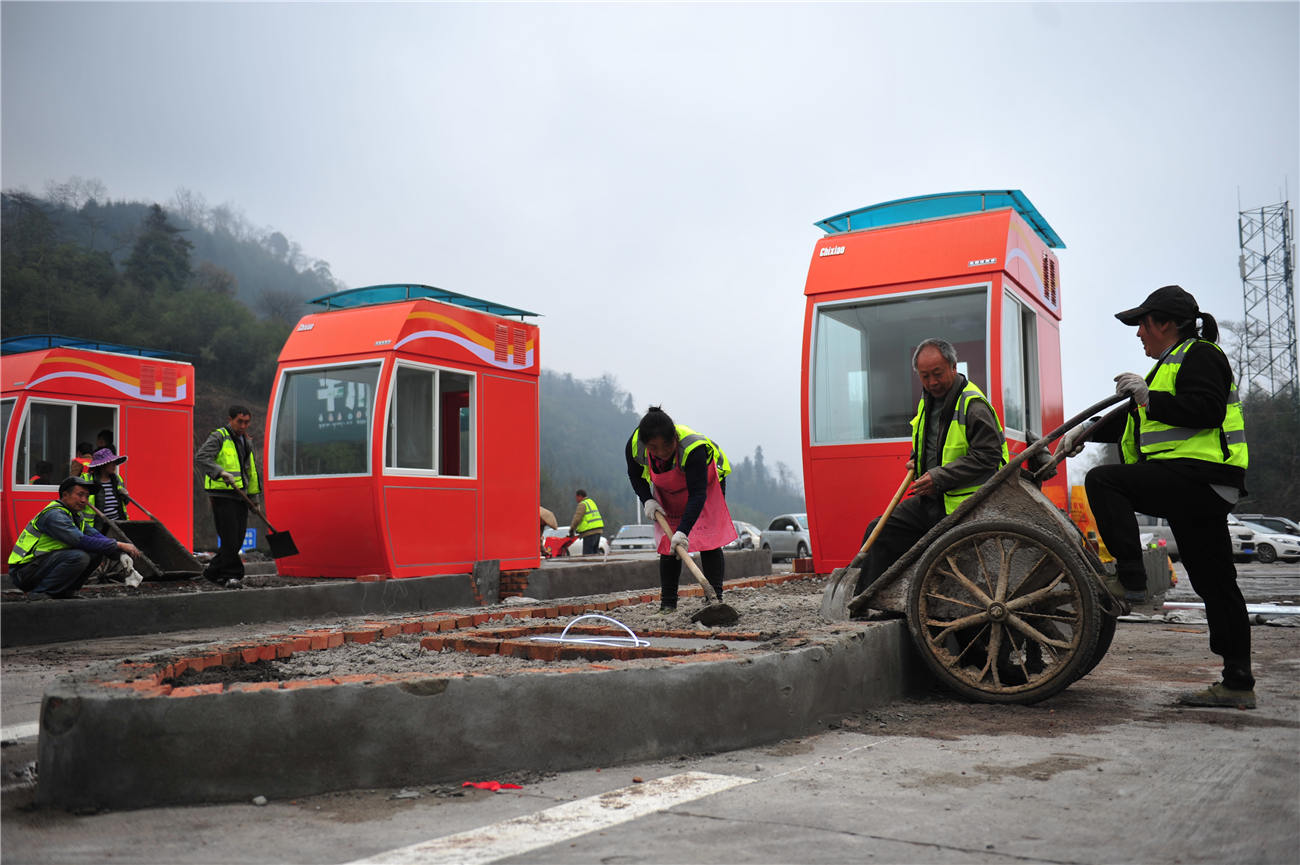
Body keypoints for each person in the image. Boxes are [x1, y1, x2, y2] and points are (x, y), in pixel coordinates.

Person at [1064, 285, 1253, 709]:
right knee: (1215, 582)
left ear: (1165, 323)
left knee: (1105, 481)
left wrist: (1148, 398)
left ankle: (1130, 578)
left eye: (1143, 325)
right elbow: (1132, 422)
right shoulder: (1166, 367)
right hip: (1195, 484)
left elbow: (1205, 409)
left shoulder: (1201, 355)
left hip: (1198, 477)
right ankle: (1238, 681)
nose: (1138, 335)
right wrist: (1084, 432)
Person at [853, 338, 1008, 597]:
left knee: (947, 570)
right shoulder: (928, 401)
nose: (932, 382)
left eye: (937, 374)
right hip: (933, 502)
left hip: (967, 507)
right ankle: (868, 600)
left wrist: (939, 476)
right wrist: (918, 459)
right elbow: (932, 441)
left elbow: (989, 455)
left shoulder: (973, 404)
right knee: (880, 530)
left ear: (953, 367)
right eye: (925, 376)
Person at [625, 406, 737, 615]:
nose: (661, 452)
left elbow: (697, 494)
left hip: (706, 483)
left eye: (666, 445)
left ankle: (715, 599)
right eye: (653, 448)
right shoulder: (636, 445)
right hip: (669, 489)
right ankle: (668, 604)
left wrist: (683, 531)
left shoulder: (693, 448)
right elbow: (635, 476)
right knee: (669, 543)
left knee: (708, 539)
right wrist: (647, 500)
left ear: (674, 437)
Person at [7, 477, 141, 600]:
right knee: (79, 556)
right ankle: (40, 593)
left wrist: (120, 554)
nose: (84, 500)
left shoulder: (75, 516)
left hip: (39, 566)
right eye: (80, 495)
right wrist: (119, 545)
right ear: (65, 495)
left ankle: (66, 592)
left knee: (95, 551)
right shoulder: (54, 515)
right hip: (24, 572)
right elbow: (80, 541)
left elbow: (97, 537)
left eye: (87, 496)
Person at [195, 405, 261, 589]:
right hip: (222, 494)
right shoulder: (219, 436)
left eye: (247, 422)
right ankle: (232, 576)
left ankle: (212, 572)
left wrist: (255, 500)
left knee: (238, 538)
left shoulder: (246, 441)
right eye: (240, 421)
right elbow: (201, 457)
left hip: (241, 495)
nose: (243, 425)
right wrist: (221, 472)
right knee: (230, 537)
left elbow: (251, 472)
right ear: (230, 419)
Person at [81, 448, 134, 583]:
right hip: (95, 524)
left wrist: (124, 495)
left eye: (115, 463)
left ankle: (125, 573)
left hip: (116, 522)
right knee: (97, 550)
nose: (114, 466)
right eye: (111, 463)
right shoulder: (87, 479)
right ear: (102, 465)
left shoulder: (117, 479)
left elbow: (124, 503)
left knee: (122, 546)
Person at [568, 490, 605, 555]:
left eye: (576, 498)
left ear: (580, 496)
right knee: (595, 553)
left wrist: (572, 530)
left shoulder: (582, 504)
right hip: (598, 531)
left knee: (588, 555)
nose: (576, 500)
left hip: (589, 532)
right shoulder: (591, 502)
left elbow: (577, 519)